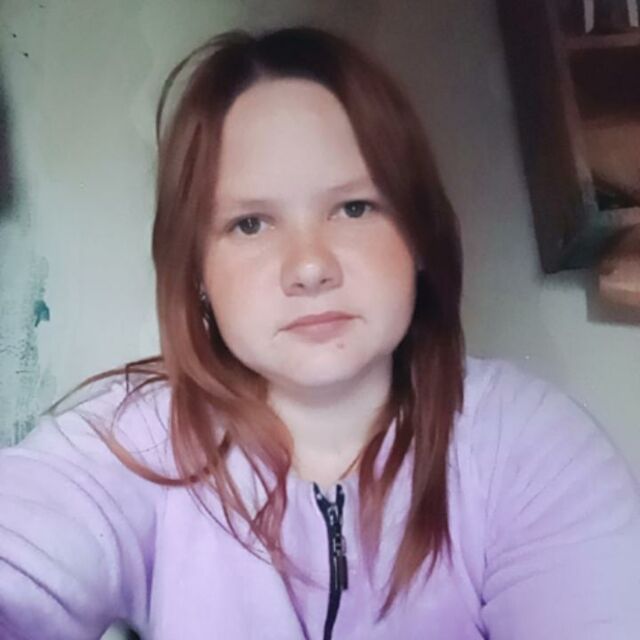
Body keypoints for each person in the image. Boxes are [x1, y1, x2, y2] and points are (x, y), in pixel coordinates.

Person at [1, 26, 639, 640]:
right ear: (196, 269)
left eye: (354, 208)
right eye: (250, 224)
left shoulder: (528, 447)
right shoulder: (133, 446)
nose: (309, 267)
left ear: (418, 235)